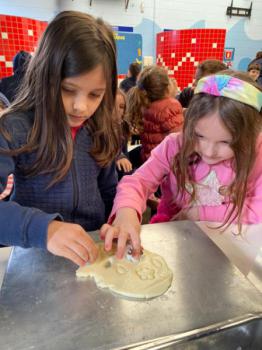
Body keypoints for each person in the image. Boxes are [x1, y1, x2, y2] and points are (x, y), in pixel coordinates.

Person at [0, 11, 120, 266]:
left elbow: (110, 191)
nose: (81, 107)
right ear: (44, 77)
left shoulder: (101, 128)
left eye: (95, 95)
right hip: (34, 255)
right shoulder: (15, 128)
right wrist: (45, 230)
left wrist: (117, 219)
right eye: (68, 90)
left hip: (92, 253)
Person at [100, 71, 262, 259]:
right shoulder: (176, 145)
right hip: (172, 234)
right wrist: (126, 212)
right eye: (199, 136)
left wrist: (197, 213)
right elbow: (138, 182)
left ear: (248, 136)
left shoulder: (256, 155)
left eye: (226, 142)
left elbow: (256, 211)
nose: (209, 151)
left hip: (230, 246)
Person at [127, 65, 183, 164]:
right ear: (166, 87)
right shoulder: (170, 106)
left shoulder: (145, 105)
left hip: (149, 160)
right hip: (164, 166)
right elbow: (180, 142)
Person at [114, 89, 132, 179]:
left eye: (121, 107)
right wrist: (119, 156)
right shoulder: (100, 128)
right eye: (112, 106)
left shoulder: (123, 125)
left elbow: (125, 151)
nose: (117, 110)